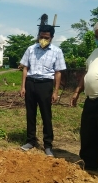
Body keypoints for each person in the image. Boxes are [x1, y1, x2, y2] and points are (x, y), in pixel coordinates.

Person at [70, 19, 98, 179]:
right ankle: (90, 163)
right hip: (91, 100)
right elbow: (86, 74)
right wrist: (77, 91)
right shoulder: (94, 53)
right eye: (97, 36)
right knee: (88, 133)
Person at [19, 24, 66, 157]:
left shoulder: (57, 51)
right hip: (30, 83)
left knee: (46, 115)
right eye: (41, 37)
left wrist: (55, 91)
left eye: (46, 37)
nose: (43, 40)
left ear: (51, 38)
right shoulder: (31, 49)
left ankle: (48, 145)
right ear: (38, 35)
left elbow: (58, 72)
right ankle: (30, 141)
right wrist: (23, 86)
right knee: (30, 113)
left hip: (45, 85)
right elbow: (25, 68)